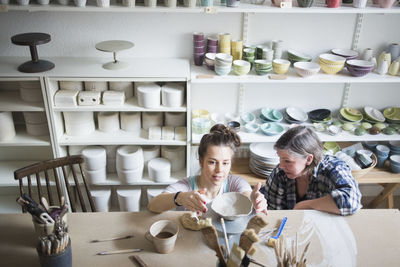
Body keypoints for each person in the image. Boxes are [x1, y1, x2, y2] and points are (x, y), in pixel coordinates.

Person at [147, 124, 267, 215]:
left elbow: (247, 194)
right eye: (212, 162)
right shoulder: (187, 186)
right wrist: (180, 198)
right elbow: (153, 205)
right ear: (200, 161)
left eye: (225, 163)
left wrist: (254, 199)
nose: (219, 169)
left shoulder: (235, 183)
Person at [260, 126, 362, 216]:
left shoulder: (333, 168)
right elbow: (273, 212)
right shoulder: (279, 173)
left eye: (287, 161)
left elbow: (351, 201)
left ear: (308, 159)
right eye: (280, 158)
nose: (281, 165)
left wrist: (305, 205)